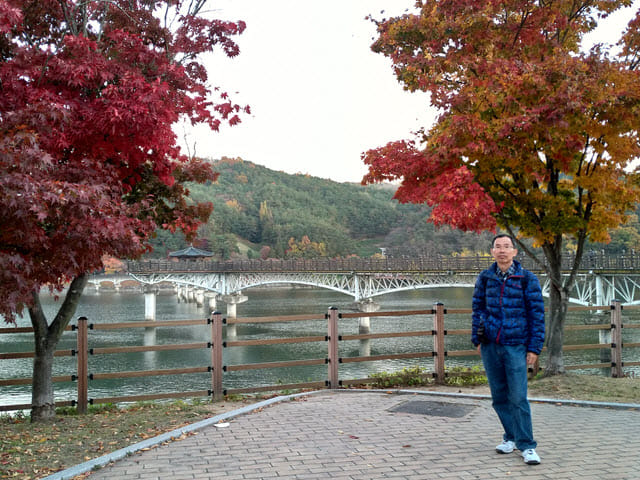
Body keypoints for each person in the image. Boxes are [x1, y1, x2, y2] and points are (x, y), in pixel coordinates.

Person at [471, 234, 545, 465]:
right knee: (499, 396)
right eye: (497, 247)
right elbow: (477, 309)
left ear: (514, 252)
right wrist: (478, 338)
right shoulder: (485, 278)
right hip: (491, 344)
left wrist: (534, 347)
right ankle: (510, 437)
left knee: (518, 397)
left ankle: (527, 446)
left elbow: (537, 315)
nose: (502, 251)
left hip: (516, 345)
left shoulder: (527, 279)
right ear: (492, 251)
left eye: (506, 247)